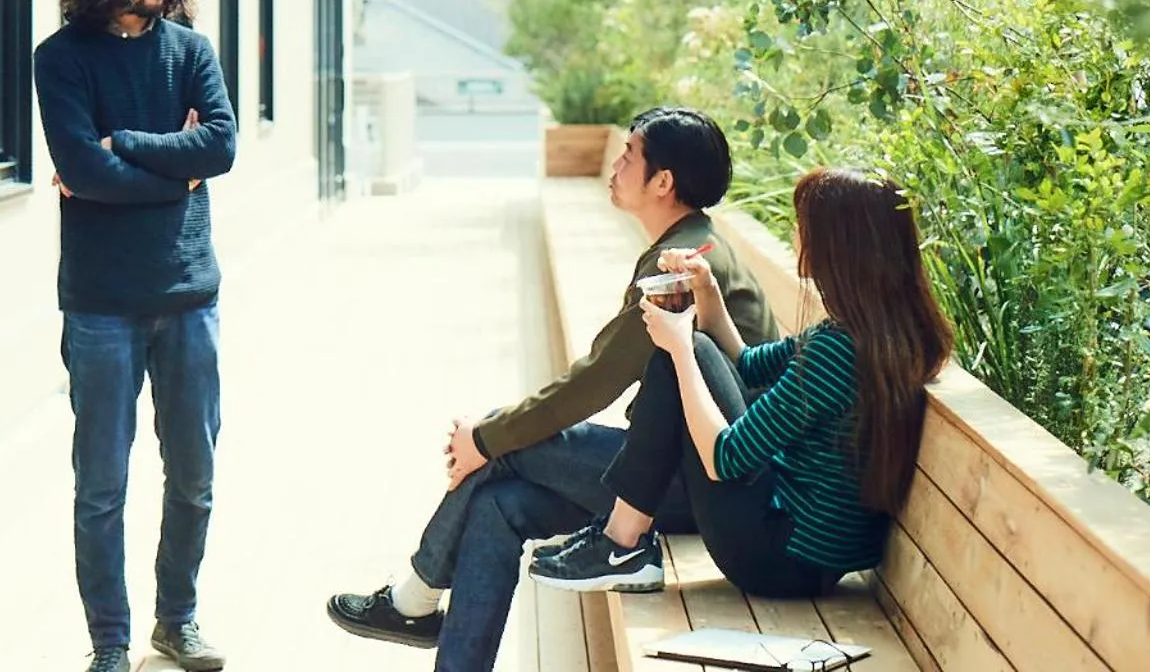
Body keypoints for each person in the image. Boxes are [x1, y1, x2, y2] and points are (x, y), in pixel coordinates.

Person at [327, 106, 781, 671]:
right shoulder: (689, 243)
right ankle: (429, 626)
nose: (616, 167)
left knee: (502, 448)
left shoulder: (684, 265)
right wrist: (491, 438)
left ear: (663, 182)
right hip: (672, 468)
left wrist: (486, 437)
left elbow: (596, 380)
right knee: (498, 504)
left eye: (628, 156)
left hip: (703, 484)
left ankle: (413, 601)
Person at [529, 169, 953, 601]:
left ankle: (622, 543)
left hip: (777, 557)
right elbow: (747, 365)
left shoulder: (840, 352)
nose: (794, 233)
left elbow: (723, 458)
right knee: (688, 352)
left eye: (803, 225)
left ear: (836, 246)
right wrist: (707, 289)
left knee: (677, 358)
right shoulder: (887, 334)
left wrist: (678, 347)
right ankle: (622, 541)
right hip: (809, 552)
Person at [33, 0, 238, 672]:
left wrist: (134, 147)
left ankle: (175, 620)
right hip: (100, 306)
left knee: (193, 476)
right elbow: (80, 167)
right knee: (101, 487)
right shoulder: (60, 58)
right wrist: (173, 173)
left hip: (189, 297)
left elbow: (218, 145)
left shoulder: (191, 50)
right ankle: (110, 643)